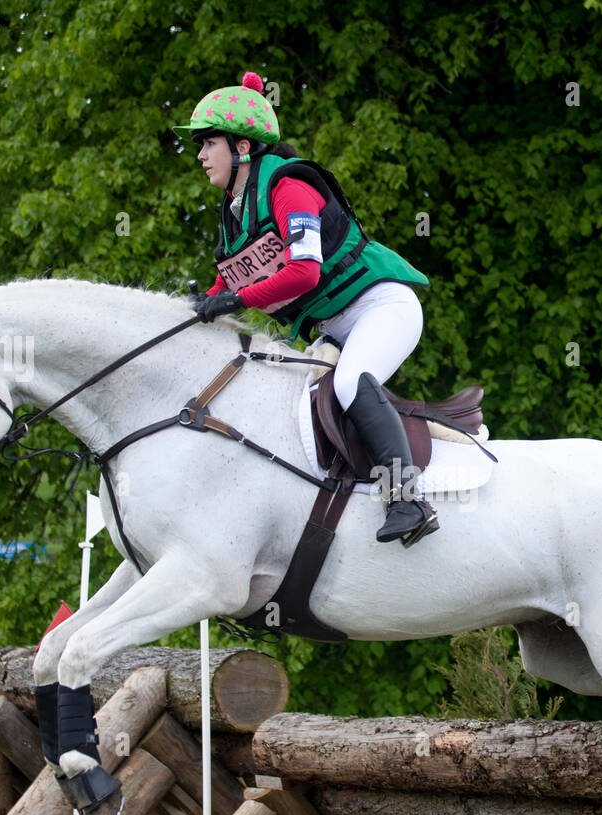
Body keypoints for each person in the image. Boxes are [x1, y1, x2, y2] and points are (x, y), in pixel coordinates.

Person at [173, 71, 438, 546]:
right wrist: (196, 308)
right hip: (334, 327)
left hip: (380, 307)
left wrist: (232, 301)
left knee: (352, 381)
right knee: (287, 400)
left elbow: (304, 274)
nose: (199, 155)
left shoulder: (288, 187)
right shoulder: (235, 212)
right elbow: (228, 281)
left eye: (208, 142)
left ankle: (408, 499)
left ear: (243, 148)